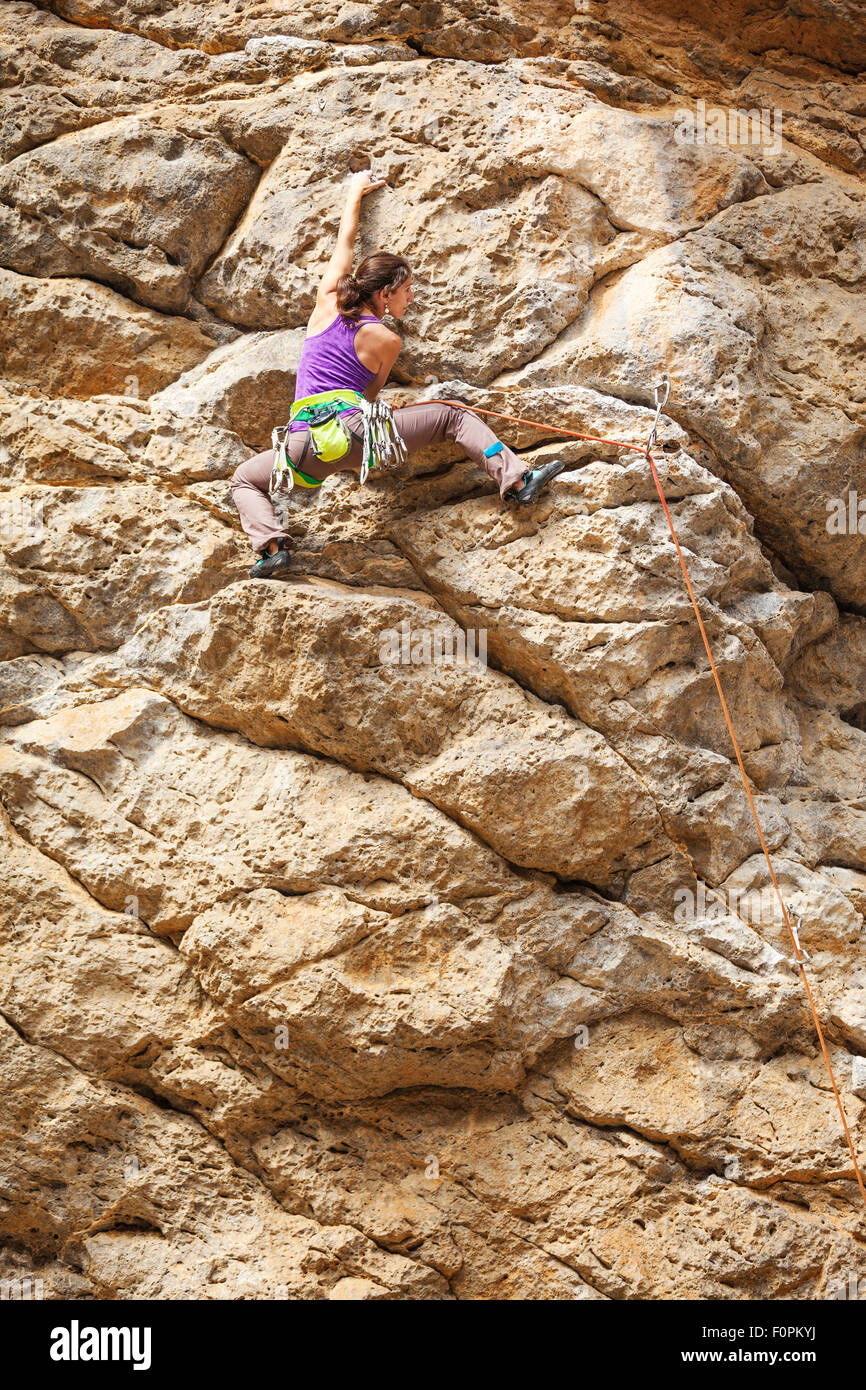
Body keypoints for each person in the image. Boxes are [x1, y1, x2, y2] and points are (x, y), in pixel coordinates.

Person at [230, 170, 570, 579]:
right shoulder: (385, 339)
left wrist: (353, 192)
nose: (412, 296)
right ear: (385, 294)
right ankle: (517, 481)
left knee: (245, 479)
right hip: (356, 436)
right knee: (452, 415)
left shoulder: (326, 305)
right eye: (407, 289)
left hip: (303, 446)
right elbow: (369, 396)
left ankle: (271, 549)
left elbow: (345, 243)